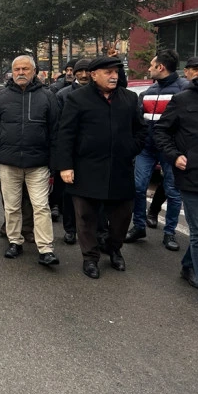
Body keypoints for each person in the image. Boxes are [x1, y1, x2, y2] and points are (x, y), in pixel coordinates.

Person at [58, 57, 147, 279]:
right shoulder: (77, 98)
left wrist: (130, 148)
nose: (114, 76)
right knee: (86, 217)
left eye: (115, 72)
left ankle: (114, 248)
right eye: (108, 72)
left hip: (120, 169)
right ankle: (90, 257)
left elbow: (141, 129)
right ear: (94, 74)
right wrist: (65, 166)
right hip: (86, 168)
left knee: (122, 216)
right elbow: (66, 134)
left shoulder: (129, 98)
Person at [0, 55, 60, 266]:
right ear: (12, 72)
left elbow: (55, 132)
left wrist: (55, 164)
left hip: (38, 163)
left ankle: (46, 249)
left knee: (41, 206)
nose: (21, 73)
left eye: (25, 69)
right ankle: (15, 241)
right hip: (9, 162)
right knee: (12, 206)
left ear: (34, 71)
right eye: (17, 69)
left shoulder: (47, 96)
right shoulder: (0, 97)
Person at [155, 58, 198, 309]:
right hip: (194, 178)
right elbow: (161, 131)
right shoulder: (183, 100)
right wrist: (174, 155)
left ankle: (189, 265)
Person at [125, 49, 187, 251]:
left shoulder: (184, 90)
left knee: (172, 191)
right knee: (138, 187)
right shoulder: (148, 92)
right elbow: (139, 121)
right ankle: (139, 226)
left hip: (171, 151)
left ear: (161, 67)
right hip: (147, 149)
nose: (149, 69)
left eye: (151, 65)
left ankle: (170, 233)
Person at [55, 57, 92, 244]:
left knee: (94, 195)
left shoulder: (99, 93)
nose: (84, 75)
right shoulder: (63, 95)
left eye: (87, 71)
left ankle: (96, 232)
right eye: (80, 71)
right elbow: (58, 127)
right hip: (70, 151)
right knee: (68, 193)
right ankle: (70, 229)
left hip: (92, 153)